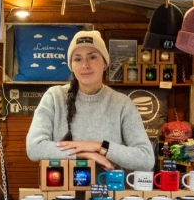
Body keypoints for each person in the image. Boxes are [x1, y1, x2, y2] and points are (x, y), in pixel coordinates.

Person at [26, 30, 155, 172]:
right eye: (78, 59)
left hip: (110, 191)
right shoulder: (54, 97)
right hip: (63, 193)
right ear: (71, 66)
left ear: (105, 62)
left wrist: (100, 146)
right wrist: (84, 154)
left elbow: (146, 159)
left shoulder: (122, 104)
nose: (85, 65)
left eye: (92, 57)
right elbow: (34, 147)